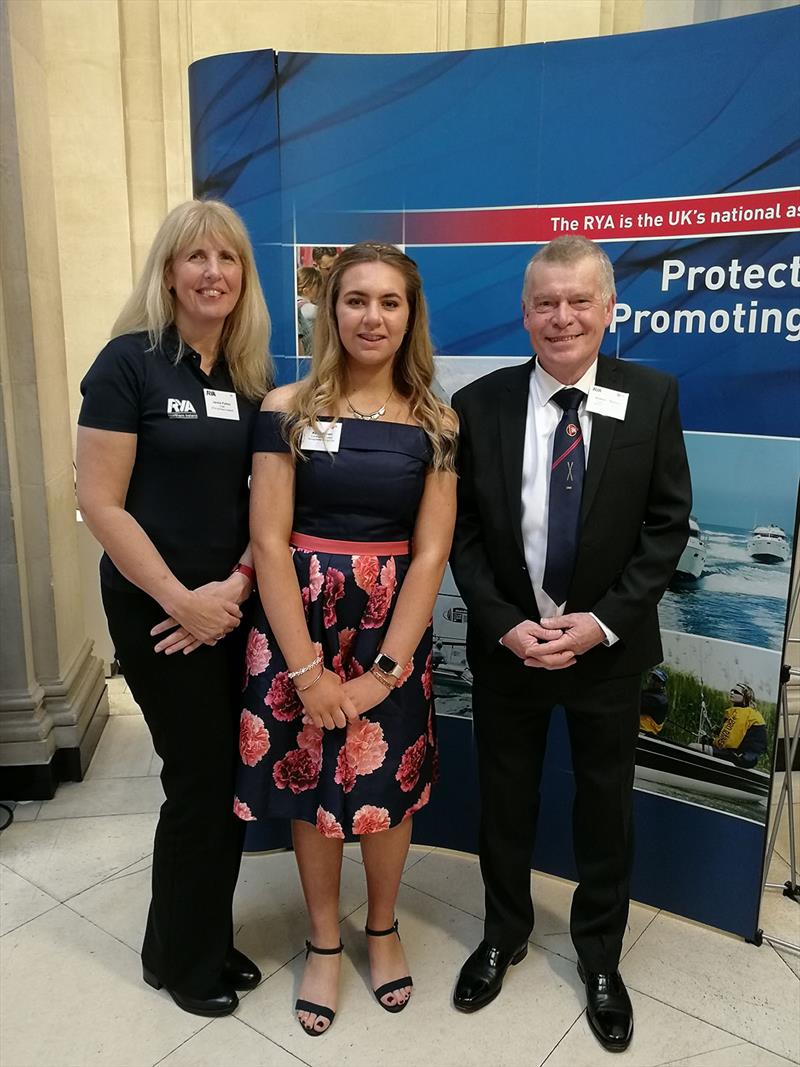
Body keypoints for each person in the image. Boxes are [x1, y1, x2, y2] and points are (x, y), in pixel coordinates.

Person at [450, 235, 691, 1052]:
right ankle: (502, 934)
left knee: (604, 810)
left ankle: (599, 959)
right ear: (524, 313)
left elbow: (665, 528)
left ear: (607, 308)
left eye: (578, 300)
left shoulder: (653, 396)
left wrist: (598, 623)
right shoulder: (477, 405)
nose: (562, 317)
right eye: (546, 302)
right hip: (509, 648)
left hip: (607, 654)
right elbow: (466, 536)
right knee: (504, 803)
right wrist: (503, 623)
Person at [234, 241, 457, 1036]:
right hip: (297, 619)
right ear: (330, 311)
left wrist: (385, 672)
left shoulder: (437, 420)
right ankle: (324, 940)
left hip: (389, 627)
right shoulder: (284, 408)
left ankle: (384, 926)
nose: (372, 316)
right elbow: (268, 540)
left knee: (388, 788)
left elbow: (432, 551)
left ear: (410, 315)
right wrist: (306, 672)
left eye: (389, 302)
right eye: (356, 299)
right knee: (306, 782)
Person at [76, 200, 270, 1018]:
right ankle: (190, 961)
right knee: (200, 779)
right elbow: (100, 502)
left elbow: (267, 499)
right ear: (168, 271)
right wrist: (181, 600)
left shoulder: (249, 377)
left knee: (221, 780)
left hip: (230, 606)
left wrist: (231, 589)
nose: (213, 273)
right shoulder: (127, 365)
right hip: (159, 612)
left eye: (227, 259)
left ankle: (183, 939)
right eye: (195, 258)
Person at [710, 684, 767, 767]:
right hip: (747, 757)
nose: (732, 693)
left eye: (736, 692)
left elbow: (728, 743)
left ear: (745, 697)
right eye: (732, 691)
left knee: (693, 746)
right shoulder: (749, 712)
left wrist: (713, 741)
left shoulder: (742, 714)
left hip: (740, 757)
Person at [297, 265, 323, 356]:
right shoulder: (313, 310)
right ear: (306, 291)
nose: (320, 291)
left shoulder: (293, 306)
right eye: (318, 287)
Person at [640, 667, 669, 735]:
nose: (653, 681)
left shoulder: (658, 700)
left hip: (645, 733)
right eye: (653, 678)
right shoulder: (650, 692)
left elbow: (636, 705)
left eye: (657, 680)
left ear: (662, 685)